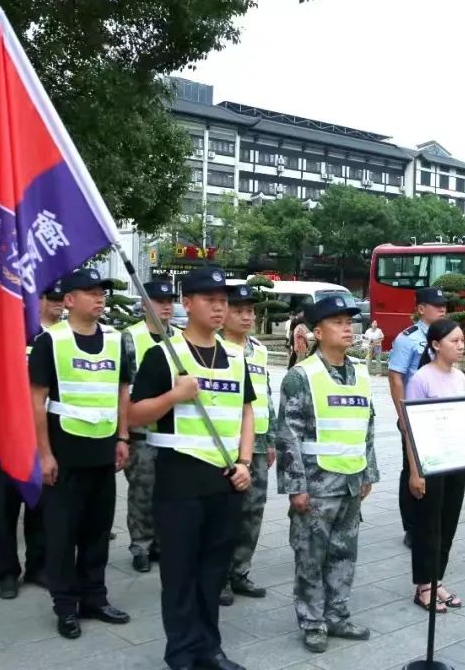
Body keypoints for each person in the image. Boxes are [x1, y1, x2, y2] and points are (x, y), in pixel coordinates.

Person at [129, 266, 253, 670]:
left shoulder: (236, 357)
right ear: (188, 303)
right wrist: (174, 396)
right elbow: (131, 415)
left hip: (226, 481)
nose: (219, 308)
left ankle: (210, 648)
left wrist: (245, 461)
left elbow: (246, 412)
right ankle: (182, 652)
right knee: (180, 573)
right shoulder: (163, 355)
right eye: (210, 300)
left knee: (213, 573)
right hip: (180, 481)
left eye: (224, 302)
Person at [29, 267, 132, 639]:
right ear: (69, 300)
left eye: (102, 291)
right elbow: (36, 401)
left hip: (104, 452)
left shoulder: (117, 339)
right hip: (64, 453)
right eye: (89, 292)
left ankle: (95, 597)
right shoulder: (50, 341)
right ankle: (65, 606)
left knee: (97, 531)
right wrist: (44, 454)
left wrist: (123, 437)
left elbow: (123, 390)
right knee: (62, 534)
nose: (99, 297)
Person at [276, 295, 379, 653]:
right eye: (337, 322)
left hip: (351, 482)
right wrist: (295, 488)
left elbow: (367, 426)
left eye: (350, 321)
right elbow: (287, 434)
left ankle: (337, 614)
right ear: (317, 331)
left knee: (343, 553)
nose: (348, 328)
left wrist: (368, 473)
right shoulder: (301, 376)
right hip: (316, 485)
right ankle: (312, 620)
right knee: (310, 555)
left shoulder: (361, 373)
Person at [0, 281, 63, 599]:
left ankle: (37, 567)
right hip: (4, 435)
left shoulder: (53, 340)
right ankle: (7, 573)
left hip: (40, 436)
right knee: (3, 510)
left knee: (39, 507)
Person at [405, 318, 465, 613]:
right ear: (435, 345)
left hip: (455, 460)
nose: (461, 346)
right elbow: (410, 428)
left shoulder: (459, 377)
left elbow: (464, 420)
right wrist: (415, 472)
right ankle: (423, 585)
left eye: (461, 340)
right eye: (454, 341)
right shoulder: (422, 378)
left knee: (448, 523)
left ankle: (438, 579)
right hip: (430, 462)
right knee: (428, 525)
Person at [218, 283, 275, 606]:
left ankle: (240, 571)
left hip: (258, 442)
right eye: (238, 310)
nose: (246, 316)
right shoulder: (215, 348)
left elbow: (265, 395)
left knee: (253, 512)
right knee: (227, 513)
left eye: (249, 311)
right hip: (227, 443)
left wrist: (271, 440)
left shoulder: (259, 349)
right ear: (223, 313)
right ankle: (220, 575)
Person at [123, 278, 179, 574]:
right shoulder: (129, 338)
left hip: (172, 432)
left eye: (170, 300)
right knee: (142, 491)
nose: (166, 305)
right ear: (145, 305)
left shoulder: (181, 339)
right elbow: (121, 390)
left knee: (168, 491)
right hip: (141, 432)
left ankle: (161, 542)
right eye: (159, 300)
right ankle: (141, 545)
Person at [388, 286, 447, 549]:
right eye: (437, 306)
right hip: (416, 412)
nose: (442, 310)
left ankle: (432, 520)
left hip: (441, 415)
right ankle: (411, 526)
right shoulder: (407, 338)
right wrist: (403, 415)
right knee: (412, 470)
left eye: (445, 306)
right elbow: (396, 378)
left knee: (437, 469)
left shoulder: (446, 336)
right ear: (421, 309)